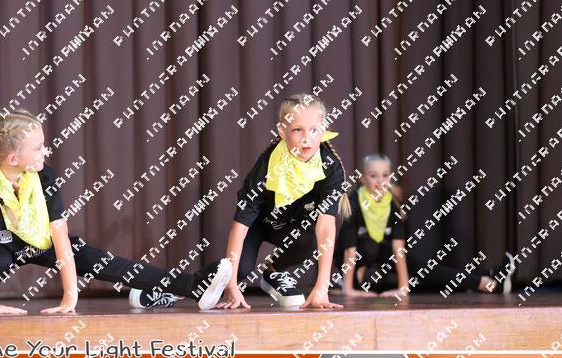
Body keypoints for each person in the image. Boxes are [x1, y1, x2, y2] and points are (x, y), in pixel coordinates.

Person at [0, 109, 231, 315]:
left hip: (38, 240)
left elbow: (59, 235)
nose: (45, 151)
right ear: (13, 158)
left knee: (102, 261)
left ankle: (191, 284)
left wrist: (69, 296)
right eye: (38, 148)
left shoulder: (44, 176)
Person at [215, 93, 353, 310]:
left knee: (311, 237)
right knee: (237, 271)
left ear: (323, 129)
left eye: (313, 130)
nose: (306, 138)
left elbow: (326, 226)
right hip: (259, 225)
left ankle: (273, 272)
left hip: (294, 227)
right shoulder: (266, 166)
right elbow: (239, 226)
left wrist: (322, 288)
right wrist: (230, 284)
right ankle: (188, 283)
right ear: (282, 131)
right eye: (297, 130)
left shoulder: (332, 168)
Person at [335, 154, 515, 299]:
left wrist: (403, 287)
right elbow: (350, 250)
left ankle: (486, 281)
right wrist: (349, 289)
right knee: (369, 246)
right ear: (362, 178)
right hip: (352, 260)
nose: (380, 181)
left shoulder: (393, 203)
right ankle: (348, 282)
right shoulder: (353, 202)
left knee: (423, 269)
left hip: (381, 251)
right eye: (373, 175)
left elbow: (398, 248)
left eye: (385, 175)